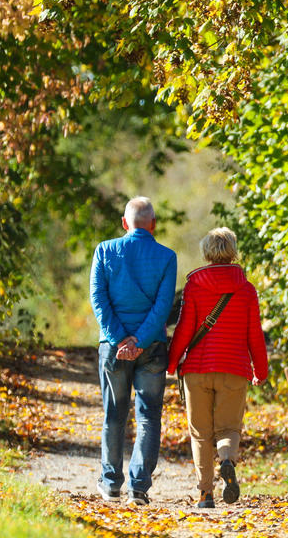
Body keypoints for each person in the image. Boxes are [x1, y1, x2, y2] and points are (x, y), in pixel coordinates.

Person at [167, 227, 268, 509]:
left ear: (207, 252)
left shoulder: (194, 286)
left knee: (201, 433)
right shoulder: (247, 290)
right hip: (234, 368)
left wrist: (172, 362)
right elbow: (254, 335)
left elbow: (185, 328)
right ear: (233, 251)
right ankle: (226, 461)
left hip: (197, 370)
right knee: (228, 429)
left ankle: (205, 495)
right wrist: (261, 369)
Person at [89, 197, 177, 505]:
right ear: (153, 224)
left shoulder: (104, 250)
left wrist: (118, 339)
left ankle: (111, 482)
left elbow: (98, 299)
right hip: (152, 347)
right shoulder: (167, 257)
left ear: (125, 224)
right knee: (149, 416)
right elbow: (163, 306)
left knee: (114, 413)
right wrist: (138, 340)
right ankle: (139, 487)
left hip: (113, 349)